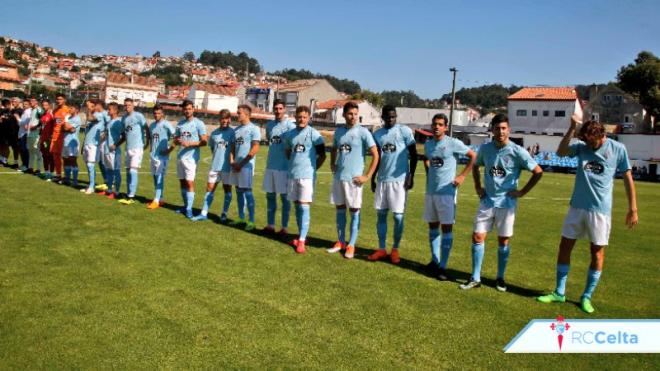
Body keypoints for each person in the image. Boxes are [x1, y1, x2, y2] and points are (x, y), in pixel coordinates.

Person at [537, 115, 638, 314]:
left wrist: (632, 208)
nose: (588, 145)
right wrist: (571, 128)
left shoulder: (618, 150)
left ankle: (586, 296)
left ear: (602, 135)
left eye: (591, 141)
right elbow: (561, 151)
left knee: (597, 252)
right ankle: (559, 292)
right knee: (564, 247)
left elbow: (627, 177)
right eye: (585, 140)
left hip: (600, 211)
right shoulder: (582, 147)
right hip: (576, 208)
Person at [460, 114, 543, 291]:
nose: (500, 131)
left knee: (503, 242)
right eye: (497, 128)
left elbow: (538, 171)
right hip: (487, 200)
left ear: (509, 130)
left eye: (504, 128)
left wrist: (521, 192)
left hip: (507, 203)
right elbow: (475, 165)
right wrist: (478, 187)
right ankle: (475, 278)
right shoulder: (485, 148)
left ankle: (500, 278)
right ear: (492, 130)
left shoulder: (517, 151)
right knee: (477, 236)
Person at [422, 113, 476, 279]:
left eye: (440, 124)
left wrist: (462, 176)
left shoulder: (453, 143)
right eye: (434, 124)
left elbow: (473, 156)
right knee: (432, 227)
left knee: (446, 228)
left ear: (445, 127)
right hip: (431, 192)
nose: (436, 127)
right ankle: (435, 260)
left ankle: (443, 267)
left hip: (447, 193)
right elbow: (426, 159)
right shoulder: (429, 144)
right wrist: (428, 173)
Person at [327, 101, 379, 259]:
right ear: (344, 115)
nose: (353, 117)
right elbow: (334, 148)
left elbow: (376, 155)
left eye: (356, 114)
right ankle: (341, 241)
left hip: (354, 180)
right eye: (350, 114)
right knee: (340, 210)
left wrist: (367, 176)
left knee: (354, 211)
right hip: (339, 178)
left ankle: (352, 244)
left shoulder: (363, 132)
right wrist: (332, 163)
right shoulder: (339, 132)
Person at [368, 105, 418, 264]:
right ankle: (382, 249)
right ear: (382, 117)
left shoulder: (404, 131)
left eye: (393, 117)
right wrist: (373, 178)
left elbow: (414, 154)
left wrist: (411, 175)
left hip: (399, 181)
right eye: (388, 117)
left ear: (396, 116)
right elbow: (377, 159)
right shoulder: (377, 134)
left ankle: (395, 249)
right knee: (381, 215)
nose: (391, 119)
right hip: (382, 180)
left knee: (397, 217)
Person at [284, 105, 326, 253]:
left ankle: (301, 240)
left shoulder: (314, 134)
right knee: (296, 205)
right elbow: (288, 151)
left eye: (304, 117)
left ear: (309, 118)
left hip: (307, 176)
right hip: (293, 175)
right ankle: (301, 236)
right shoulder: (290, 135)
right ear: (295, 117)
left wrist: (313, 169)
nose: (301, 119)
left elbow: (322, 156)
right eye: (299, 116)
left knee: (303, 205)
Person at [191, 109, 234, 221]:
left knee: (227, 190)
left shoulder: (233, 133)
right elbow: (212, 148)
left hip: (227, 168)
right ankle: (204, 213)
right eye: (222, 119)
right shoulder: (214, 134)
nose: (224, 121)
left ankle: (224, 213)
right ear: (219, 119)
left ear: (229, 119)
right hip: (215, 166)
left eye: (226, 119)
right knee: (209, 189)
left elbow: (235, 150)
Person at [262, 99, 296, 236]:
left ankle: (284, 227)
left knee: (284, 198)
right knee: (270, 196)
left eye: (280, 108)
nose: (278, 111)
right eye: (276, 108)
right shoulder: (269, 125)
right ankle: (270, 225)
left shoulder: (291, 127)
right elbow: (270, 140)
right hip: (270, 165)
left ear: (285, 110)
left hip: (284, 167)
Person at [228, 104, 261, 231]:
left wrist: (241, 164)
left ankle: (251, 221)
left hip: (246, 167)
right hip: (236, 166)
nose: (237, 115)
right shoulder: (236, 130)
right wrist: (231, 161)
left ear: (246, 114)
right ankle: (241, 218)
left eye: (239, 113)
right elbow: (232, 148)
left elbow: (255, 148)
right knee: (238, 192)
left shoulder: (254, 129)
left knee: (247, 192)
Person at [174, 99, 207, 218]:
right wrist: (177, 141)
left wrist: (190, 144)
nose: (187, 111)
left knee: (189, 182)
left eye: (189, 109)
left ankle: (189, 209)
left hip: (191, 158)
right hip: (180, 157)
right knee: (182, 182)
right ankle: (185, 205)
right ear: (182, 110)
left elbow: (204, 142)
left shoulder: (199, 123)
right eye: (185, 109)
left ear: (193, 109)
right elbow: (176, 139)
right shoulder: (180, 124)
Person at [117, 98, 149, 204]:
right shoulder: (124, 119)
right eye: (125, 105)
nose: (127, 107)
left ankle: (132, 196)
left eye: (129, 105)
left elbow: (146, 128)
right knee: (128, 172)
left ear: (133, 106)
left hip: (137, 147)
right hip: (128, 148)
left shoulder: (138, 116)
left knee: (133, 171)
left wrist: (147, 143)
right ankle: (128, 193)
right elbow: (124, 134)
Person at [146, 104, 175, 209]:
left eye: (158, 113)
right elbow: (151, 138)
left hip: (162, 157)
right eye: (155, 113)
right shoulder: (152, 125)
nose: (156, 115)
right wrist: (149, 148)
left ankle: (156, 201)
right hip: (153, 156)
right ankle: (160, 198)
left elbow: (176, 136)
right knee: (155, 177)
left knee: (159, 178)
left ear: (162, 114)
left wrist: (169, 150)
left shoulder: (166, 124)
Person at [80, 100, 106, 194]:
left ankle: (92, 187)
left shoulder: (99, 114)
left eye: (91, 105)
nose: (89, 107)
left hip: (94, 144)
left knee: (91, 164)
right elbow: (87, 131)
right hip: (88, 142)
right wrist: (83, 145)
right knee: (88, 164)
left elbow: (91, 118)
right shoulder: (93, 115)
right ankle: (92, 184)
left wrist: (89, 110)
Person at [102, 103, 124, 199]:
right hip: (107, 149)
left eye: (109, 109)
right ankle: (109, 190)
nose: (108, 111)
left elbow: (124, 136)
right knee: (109, 170)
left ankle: (117, 192)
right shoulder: (109, 122)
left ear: (115, 111)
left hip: (114, 151)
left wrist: (115, 145)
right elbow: (107, 135)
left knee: (116, 171)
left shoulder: (118, 122)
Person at [50, 94, 70, 182]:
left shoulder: (67, 110)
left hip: (62, 136)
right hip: (54, 136)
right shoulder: (55, 110)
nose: (58, 101)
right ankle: (58, 174)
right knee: (55, 156)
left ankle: (66, 176)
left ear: (64, 100)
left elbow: (68, 124)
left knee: (64, 157)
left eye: (60, 99)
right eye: (57, 99)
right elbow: (55, 123)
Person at [60, 105, 82, 186]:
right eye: (70, 107)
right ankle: (67, 179)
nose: (69, 109)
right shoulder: (69, 118)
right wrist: (65, 125)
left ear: (76, 110)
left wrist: (65, 122)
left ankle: (75, 181)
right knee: (65, 160)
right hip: (65, 141)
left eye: (72, 108)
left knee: (72, 161)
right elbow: (63, 129)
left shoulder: (77, 119)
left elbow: (70, 129)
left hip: (72, 143)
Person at [25, 97, 44, 174]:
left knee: (38, 152)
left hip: (36, 134)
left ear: (36, 102)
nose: (31, 102)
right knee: (31, 152)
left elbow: (42, 120)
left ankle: (39, 169)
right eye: (30, 101)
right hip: (30, 134)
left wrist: (36, 127)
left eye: (33, 101)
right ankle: (30, 168)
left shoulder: (39, 109)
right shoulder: (32, 110)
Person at [38, 99, 55, 180]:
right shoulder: (43, 114)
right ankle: (46, 173)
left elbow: (55, 126)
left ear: (49, 105)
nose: (44, 107)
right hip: (43, 138)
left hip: (49, 139)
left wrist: (51, 136)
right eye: (43, 105)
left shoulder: (52, 114)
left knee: (50, 156)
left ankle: (52, 173)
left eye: (46, 105)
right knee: (44, 156)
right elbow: (42, 127)